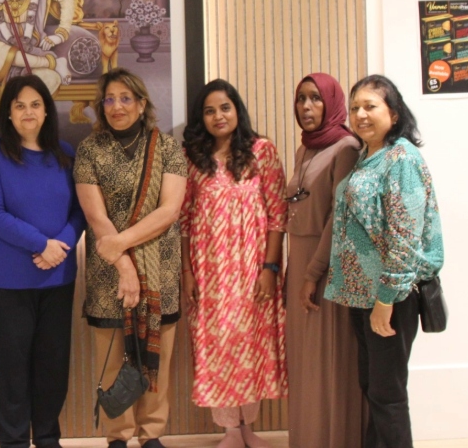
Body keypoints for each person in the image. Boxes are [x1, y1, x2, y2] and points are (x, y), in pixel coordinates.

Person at [325, 74, 443, 448]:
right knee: (374, 389)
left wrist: (385, 301)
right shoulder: (367, 156)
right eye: (356, 107)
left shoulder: (402, 158)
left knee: (388, 395)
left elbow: (404, 239)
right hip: (363, 294)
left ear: (393, 112)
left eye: (370, 106)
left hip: (391, 296)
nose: (360, 114)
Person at [74, 68, 186, 448]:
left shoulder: (168, 148)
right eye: (109, 99)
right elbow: (95, 216)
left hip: (160, 272)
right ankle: (118, 435)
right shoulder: (90, 150)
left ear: (141, 105)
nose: (116, 106)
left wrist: (122, 245)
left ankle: (151, 432)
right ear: (100, 107)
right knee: (111, 358)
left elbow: (169, 210)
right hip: (108, 273)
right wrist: (123, 264)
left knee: (159, 358)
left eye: (125, 98)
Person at [0, 74, 86, 448]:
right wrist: (42, 243)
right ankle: (13, 441)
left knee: (53, 364)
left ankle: (48, 437)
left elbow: (80, 212)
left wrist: (62, 246)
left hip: (58, 277)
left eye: (35, 104)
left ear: (46, 110)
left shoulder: (66, 154)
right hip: (9, 280)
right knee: (12, 365)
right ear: (8, 113)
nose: (28, 112)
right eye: (19, 105)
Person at [180, 79, 287, 448]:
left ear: (236, 110)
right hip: (210, 272)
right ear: (201, 118)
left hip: (253, 270)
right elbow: (184, 221)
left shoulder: (262, 151)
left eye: (224, 108)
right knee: (217, 346)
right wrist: (188, 273)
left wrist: (270, 270)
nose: (218, 116)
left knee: (252, 343)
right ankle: (228, 430)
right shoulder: (192, 158)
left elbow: (277, 217)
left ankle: (247, 427)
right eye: (209, 111)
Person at [285, 73, 364, 447]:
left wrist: (312, 273)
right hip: (299, 261)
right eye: (301, 99)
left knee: (328, 358)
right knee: (305, 361)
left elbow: (339, 217)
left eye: (315, 98)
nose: (306, 107)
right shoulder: (304, 148)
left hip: (325, 264)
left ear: (331, 102)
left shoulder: (346, 147)